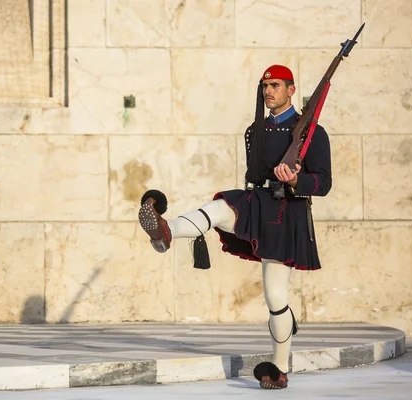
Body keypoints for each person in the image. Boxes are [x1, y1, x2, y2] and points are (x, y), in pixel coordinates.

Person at [138, 64, 332, 389]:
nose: (268, 91)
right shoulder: (256, 130)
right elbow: (255, 176)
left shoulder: (313, 132)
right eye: (265, 86)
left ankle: (280, 368)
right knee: (218, 208)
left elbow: (323, 183)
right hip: (257, 203)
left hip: (286, 216)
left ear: (291, 91)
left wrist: (298, 179)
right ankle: (165, 230)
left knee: (275, 298)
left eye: (275, 86)